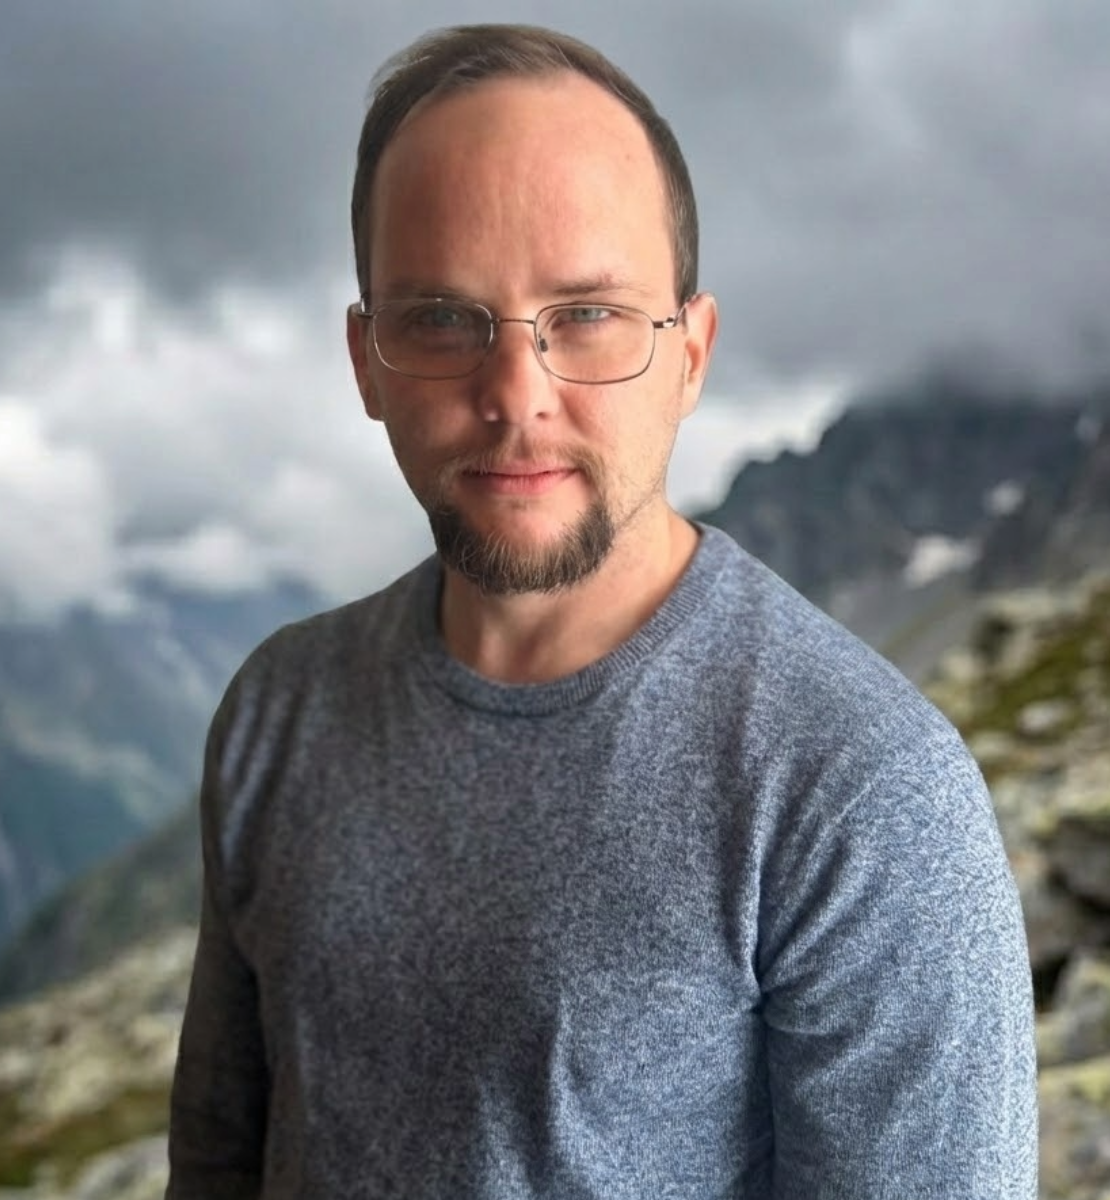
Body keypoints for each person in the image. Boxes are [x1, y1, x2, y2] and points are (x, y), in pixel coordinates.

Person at [166, 23, 1037, 1199]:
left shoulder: (863, 788)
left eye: (586, 315)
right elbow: (216, 1164)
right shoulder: (282, 706)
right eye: (442, 319)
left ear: (691, 354)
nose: (516, 396)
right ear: (367, 360)